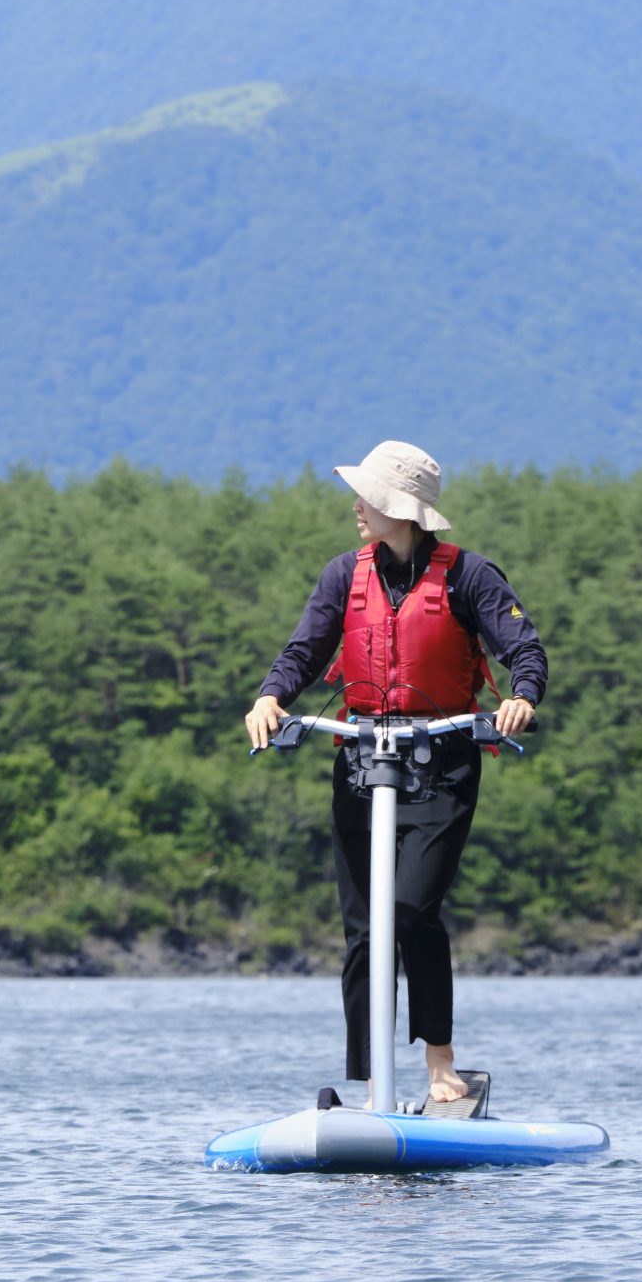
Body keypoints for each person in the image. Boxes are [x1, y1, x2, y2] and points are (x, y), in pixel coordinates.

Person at [241, 441, 546, 1105]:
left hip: (441, 770)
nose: (356, 506)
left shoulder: (470, 577)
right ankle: (376, 1079)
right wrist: (271, 696)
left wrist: (521, 696)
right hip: (360, 767)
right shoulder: (340, 576)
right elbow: (303, 650)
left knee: (410, 912)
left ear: (401, 512)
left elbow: (523, 646)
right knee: (363, 931)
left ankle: (441, 1066)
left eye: (369, 497)